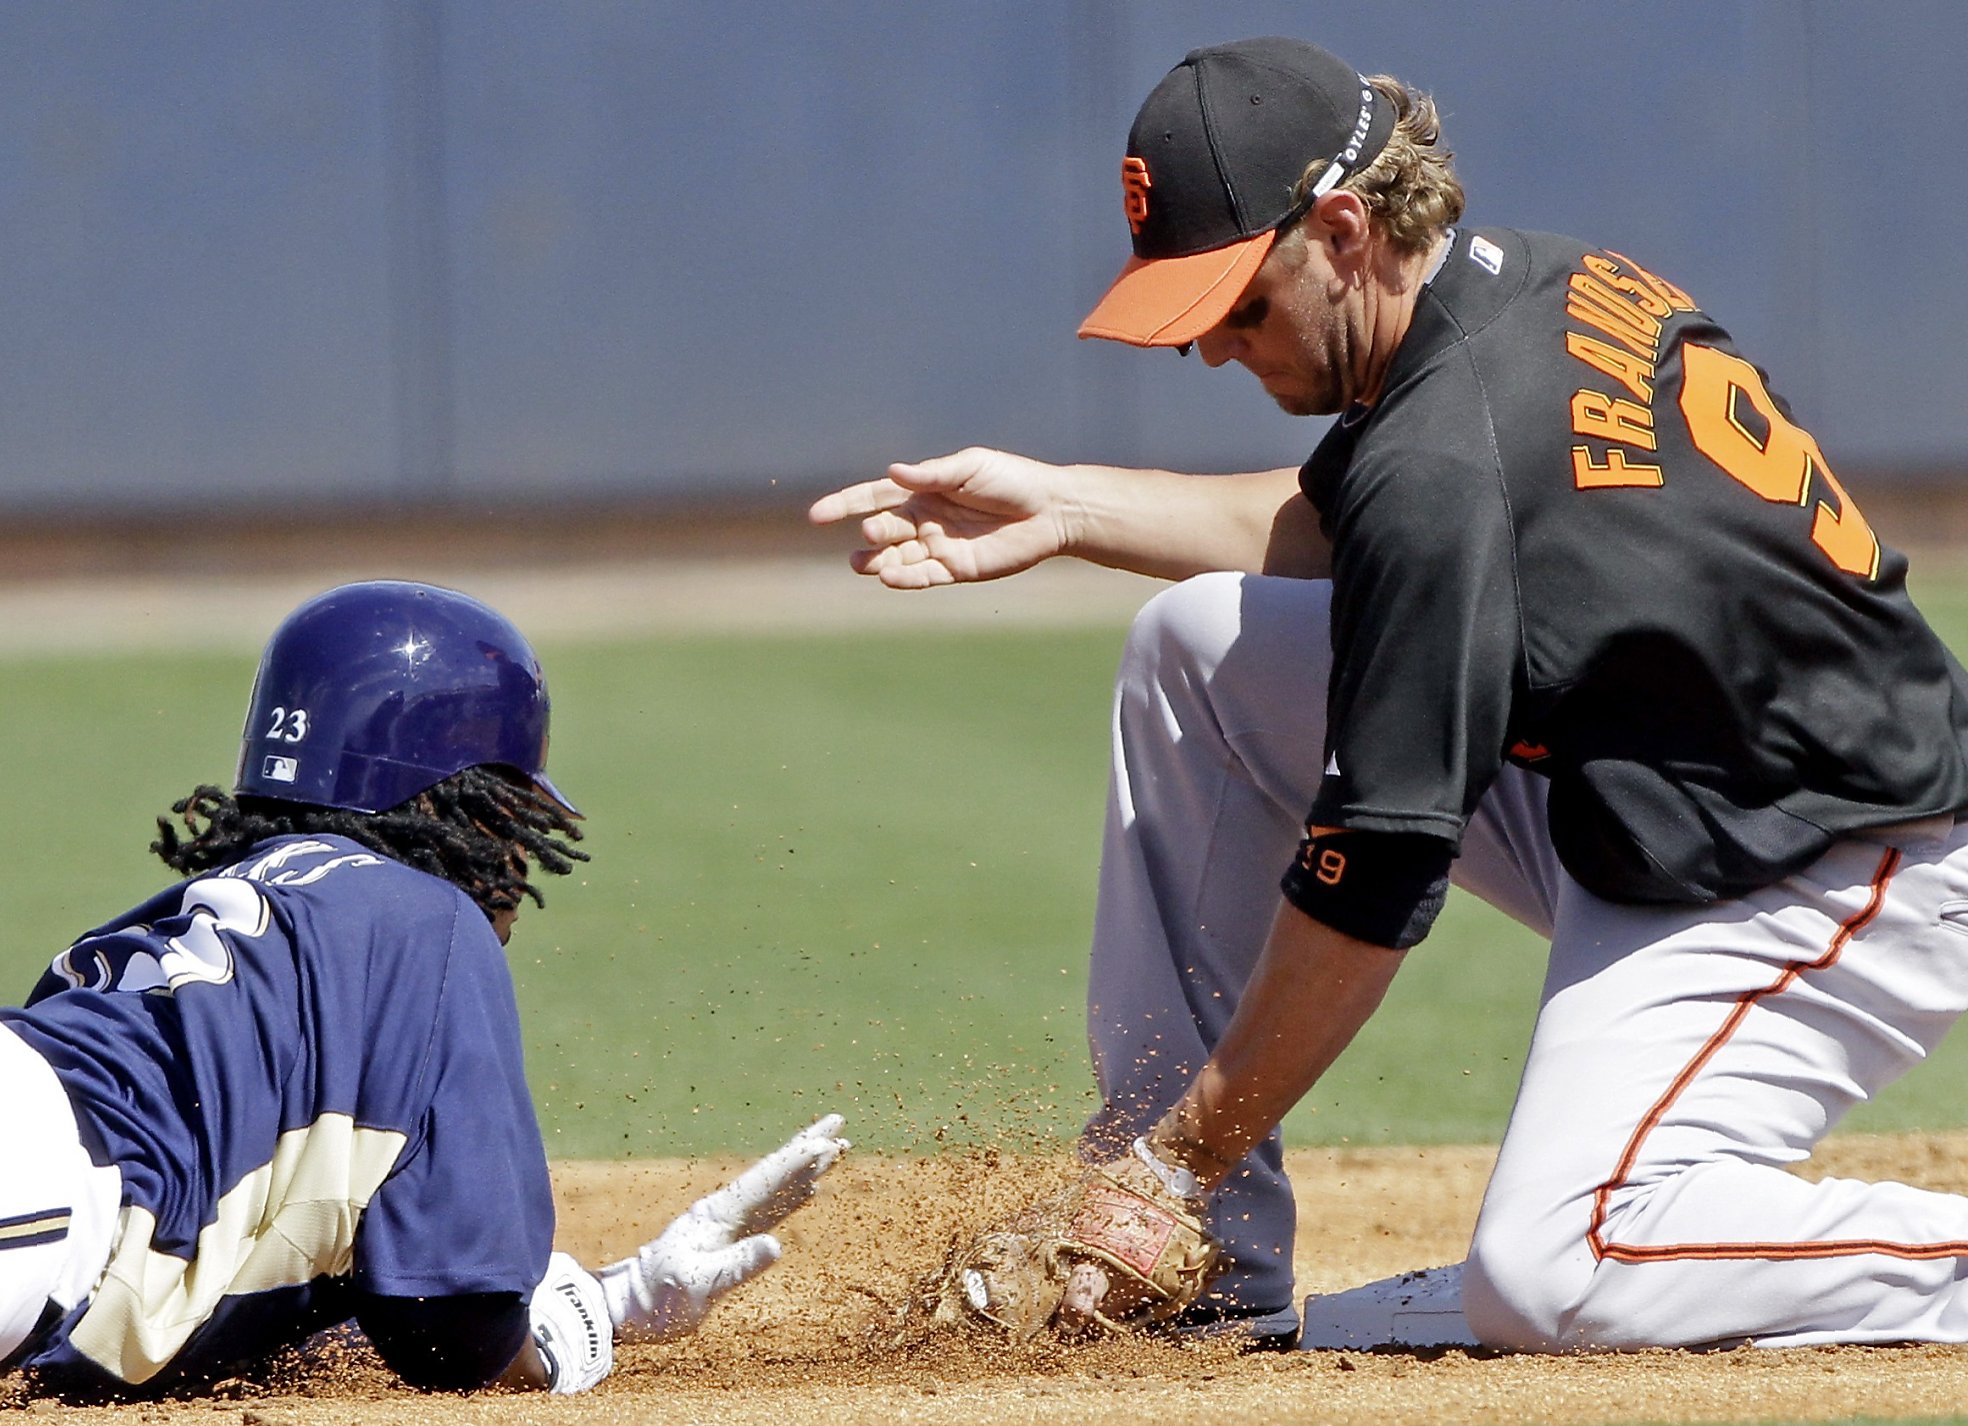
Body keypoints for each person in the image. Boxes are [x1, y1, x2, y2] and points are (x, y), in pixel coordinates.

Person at [810, 34, 1968, 1352]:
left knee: (1559, 1267)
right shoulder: (1510, 289)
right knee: (1193, 648)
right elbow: (1354, 518)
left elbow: (1374, 873)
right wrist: (1073, 504)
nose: (1211, 350)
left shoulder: (1442, 459)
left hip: (1836, 863)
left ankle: (1166, 1196)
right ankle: (1194, 1267)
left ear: (1344, 228)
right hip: (1657, 786)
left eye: (1240, 305)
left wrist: (1180, 1153)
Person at [0, 579, 847, 1399]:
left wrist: (608, 1288)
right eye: (514, 814)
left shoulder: (169, 931)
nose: (520, 855)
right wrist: (587, 1319)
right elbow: (456, 1334)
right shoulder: (426, 921)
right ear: (459, 805)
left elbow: (245, 1274)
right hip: (4, 1184)